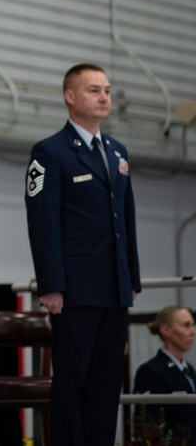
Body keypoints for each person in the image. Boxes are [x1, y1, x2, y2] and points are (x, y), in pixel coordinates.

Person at [25, 62, 141, 446]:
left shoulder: (117, 151)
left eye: (107, 90)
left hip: (113, 288)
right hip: (74, 290)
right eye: (94, 90)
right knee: (72, 382)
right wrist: (52, 285)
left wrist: (132, 278)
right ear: (70, 97)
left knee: (107, 384)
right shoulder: (51, 152)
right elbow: (43, 224)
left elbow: (126, 218)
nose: (104, 97)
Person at [133, 306, 196, 445]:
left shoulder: (188, 369)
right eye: (186, 325)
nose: (192, 332)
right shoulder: (151, 370)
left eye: (193, 325)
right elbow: (147, 422)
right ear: (166, 330)